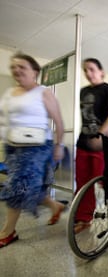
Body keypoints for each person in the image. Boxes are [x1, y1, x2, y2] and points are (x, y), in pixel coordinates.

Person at [0, 53, 65, 248]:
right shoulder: (10, 93)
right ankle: (55, 206)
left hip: (37, 148)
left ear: (35, 72)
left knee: (15, 187)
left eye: (22, 66)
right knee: (26, 187)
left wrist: (59, 145)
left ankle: (7, 231)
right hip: (13, 147)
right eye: (14, 67)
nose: (17, 70)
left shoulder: (43, 92)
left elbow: (59, 121)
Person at [74, 58, 108, 233]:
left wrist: (100, 134)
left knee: (103, 180)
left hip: (102, 144)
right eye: (85, 70)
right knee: (82, 182)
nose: (88, 73)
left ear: (101, 71)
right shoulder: (83, 92)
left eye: (92, 69)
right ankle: (83, 218)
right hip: (83, 142)